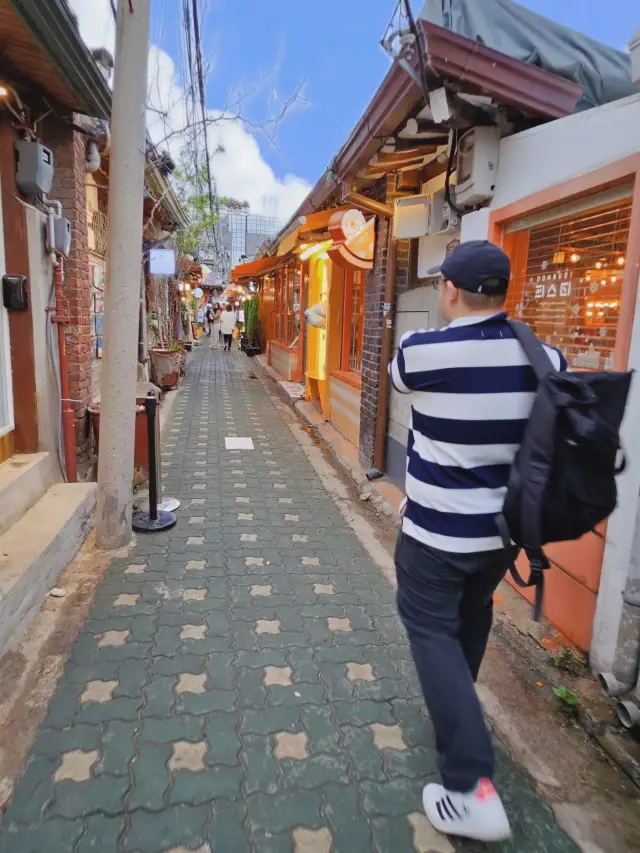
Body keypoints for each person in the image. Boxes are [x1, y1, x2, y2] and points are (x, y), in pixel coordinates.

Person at [389, 241, 566, 843]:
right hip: (502, 536)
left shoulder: (423, 351)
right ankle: (455, 706)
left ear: (451, 292)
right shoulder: (547, 356)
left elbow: (400, 383)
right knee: (469, 619)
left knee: (431, 632)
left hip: (435, 532)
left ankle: (471, 787)